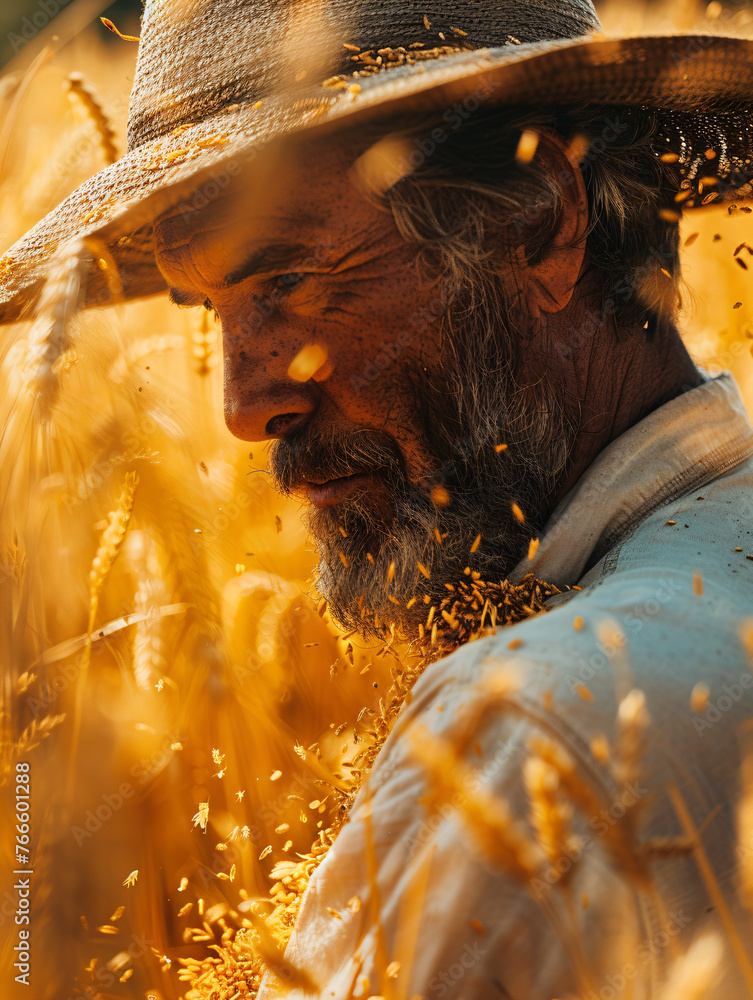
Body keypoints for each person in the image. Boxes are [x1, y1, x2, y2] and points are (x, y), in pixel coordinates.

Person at [2, 0, 753, 996]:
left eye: (289, 280)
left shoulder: (521, 741)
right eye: (211, 313)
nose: (240, 407)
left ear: (537, 222)